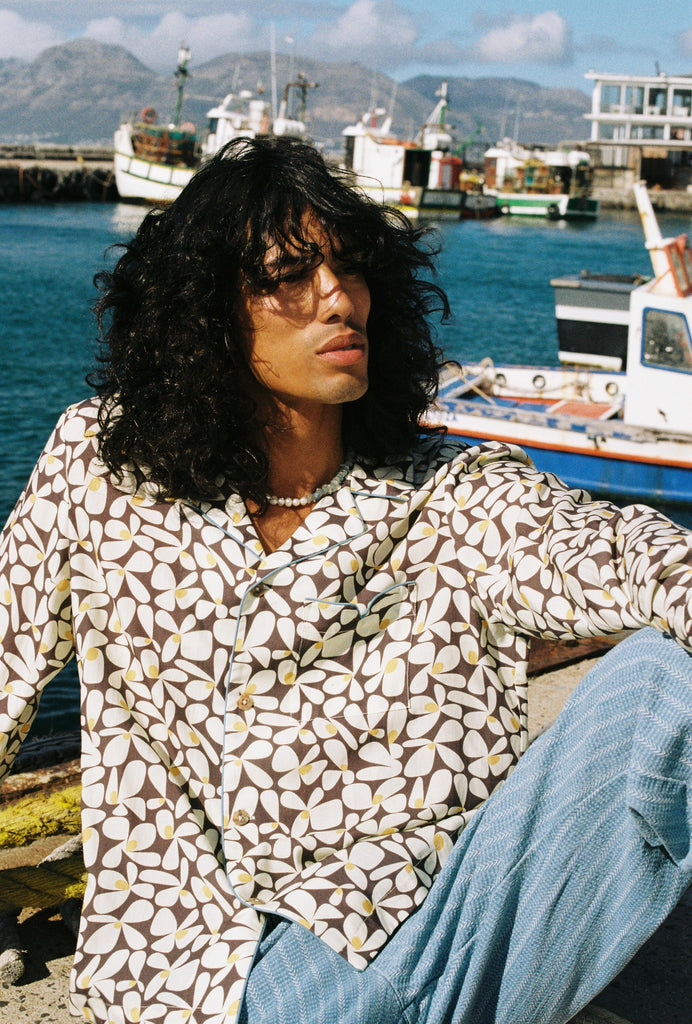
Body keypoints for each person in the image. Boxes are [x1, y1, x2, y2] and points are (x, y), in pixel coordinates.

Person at [0, 136, 691, 1024]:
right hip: (190, 975)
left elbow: (621, 552)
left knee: (660, 685)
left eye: (352, 268)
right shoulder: (102, 468)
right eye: (291, 274)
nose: (340, 298)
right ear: (208, 309)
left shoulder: (450, 496)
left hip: (430, 943)